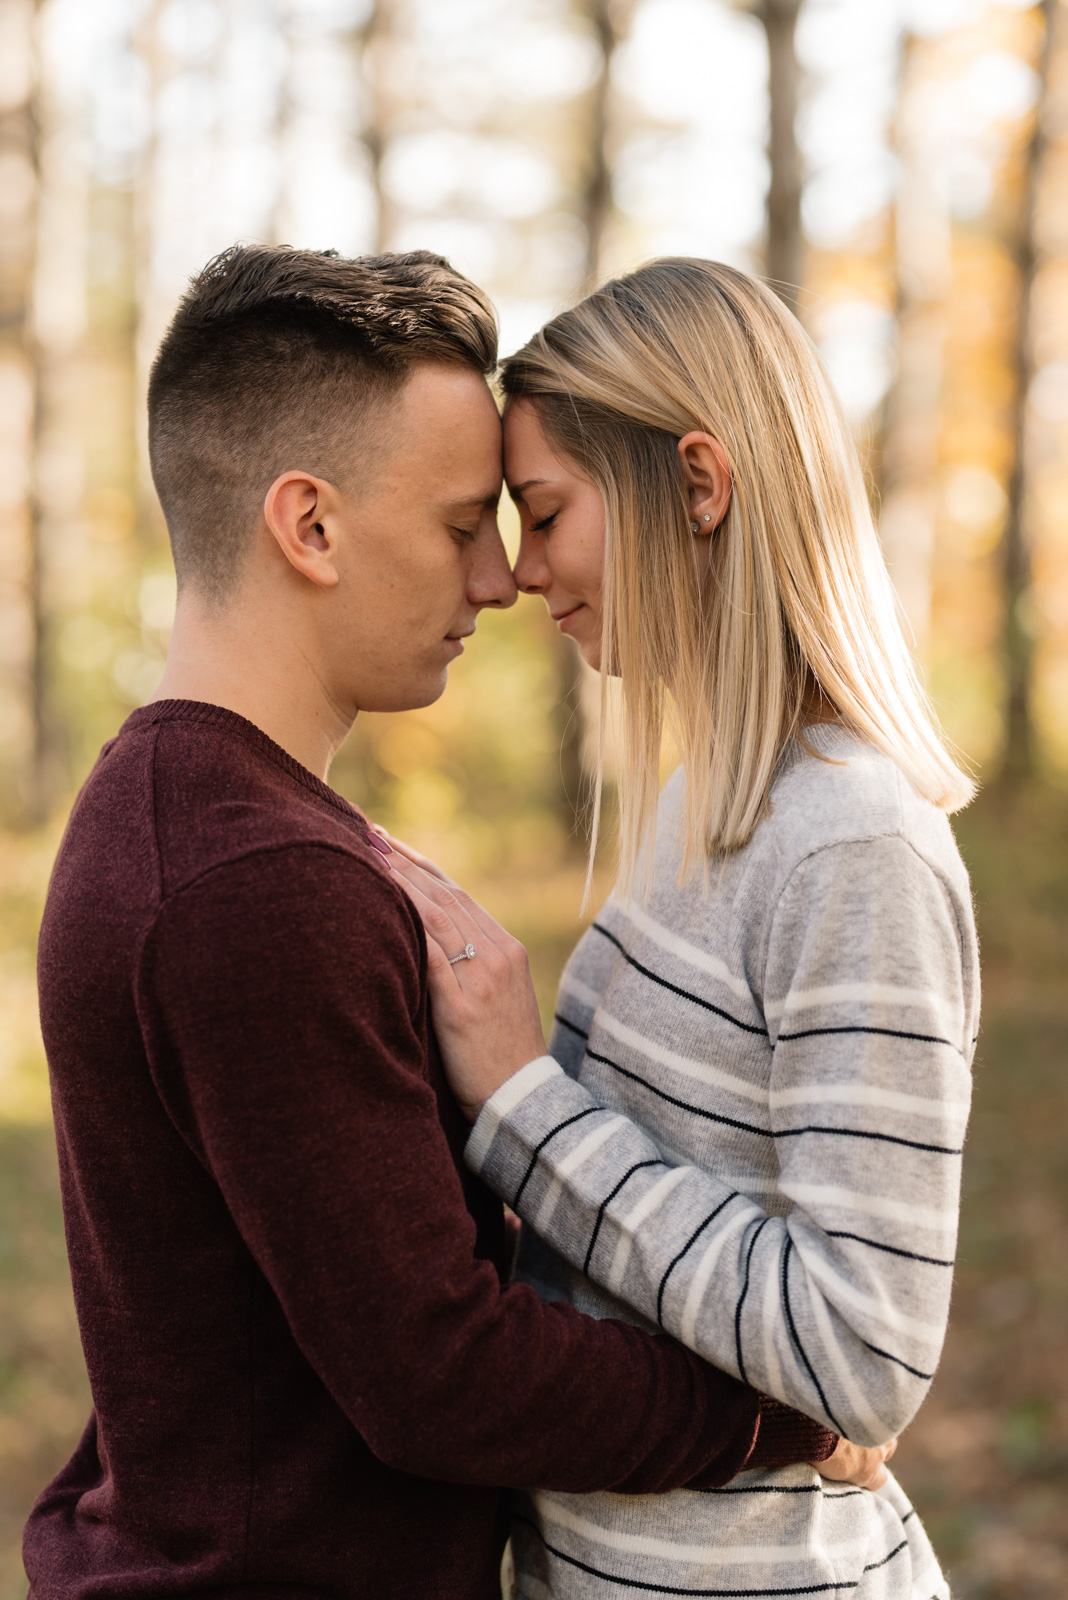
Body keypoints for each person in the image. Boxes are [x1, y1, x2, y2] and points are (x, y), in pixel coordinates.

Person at [27, 245, 868, 1600]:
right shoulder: (254, 884)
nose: (500, 580)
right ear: (309, 527)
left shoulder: (172, 809)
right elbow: (441, 1378)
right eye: (463, 524)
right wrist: (786, 1415)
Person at [387, 258, 979, 1600]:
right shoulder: (705, 809)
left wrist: (524, 1098)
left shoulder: (854, 845)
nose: (523, 572)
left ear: (700, 485)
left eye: (546, 514)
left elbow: (865, 1355)